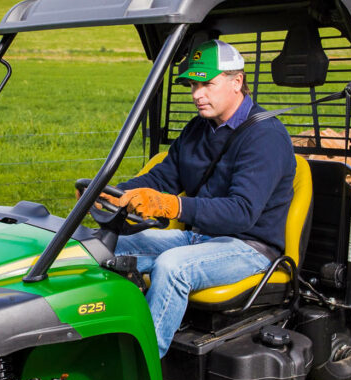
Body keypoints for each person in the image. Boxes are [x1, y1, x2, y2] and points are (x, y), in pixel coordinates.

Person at [106, 39, 297, 358]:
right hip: (200, 238)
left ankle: (141, 369)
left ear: (237, 82)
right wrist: (115, 193)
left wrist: (173, 205)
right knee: (106, 245)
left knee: (172, 266)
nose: (197, 94)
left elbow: (242, 212)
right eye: (193, 85)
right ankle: (101, 344)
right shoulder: (199, 129)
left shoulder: (266, 137)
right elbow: (162, 178)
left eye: (207, 83)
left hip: (249, 247)